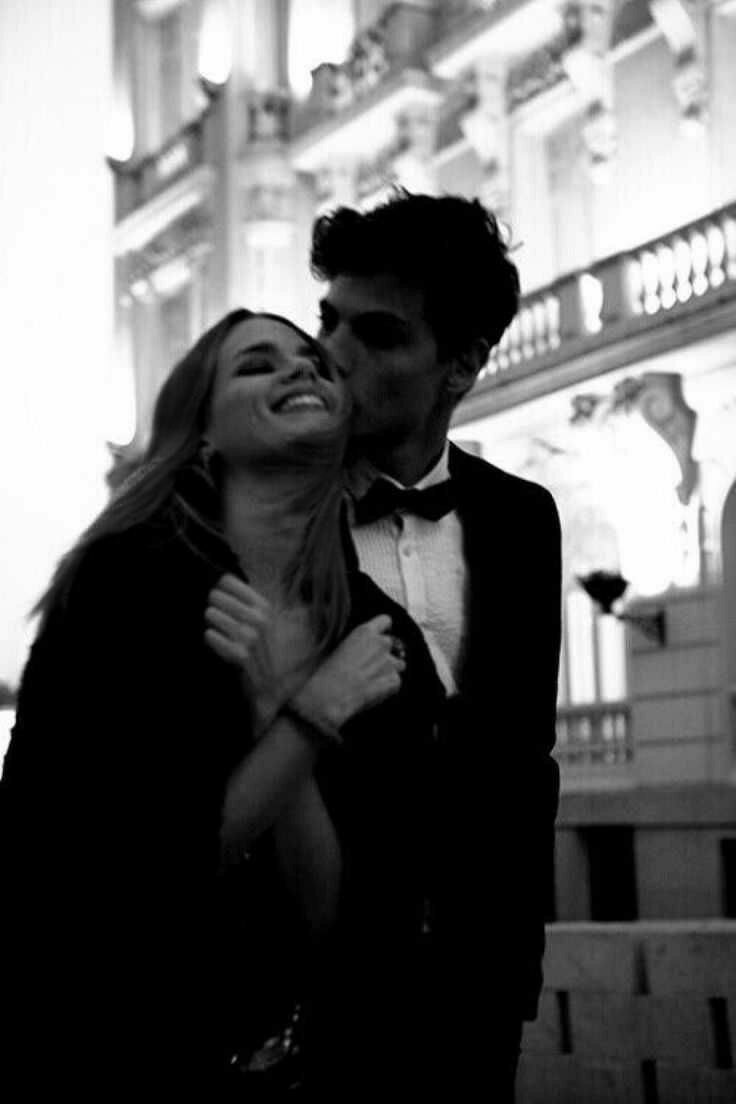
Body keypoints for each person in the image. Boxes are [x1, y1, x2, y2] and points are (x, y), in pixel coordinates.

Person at [0, 309, 444, 1101]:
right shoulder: (123, 586)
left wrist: (277, 703)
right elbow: (114, 877)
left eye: (312, 362)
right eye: (257, 365)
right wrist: (311, 715)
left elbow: (344, 925)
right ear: (203, 435)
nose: (301, 369)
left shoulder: (381, 638)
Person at [311, 190, 563, 1099]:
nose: (332, 355)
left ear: (462, 364)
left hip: (474, 1001)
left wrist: (515, 974)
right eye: (328, 321)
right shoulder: (266, 519)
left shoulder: (523, 518)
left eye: (378, 335)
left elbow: (524, 760)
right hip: (312, 1002)